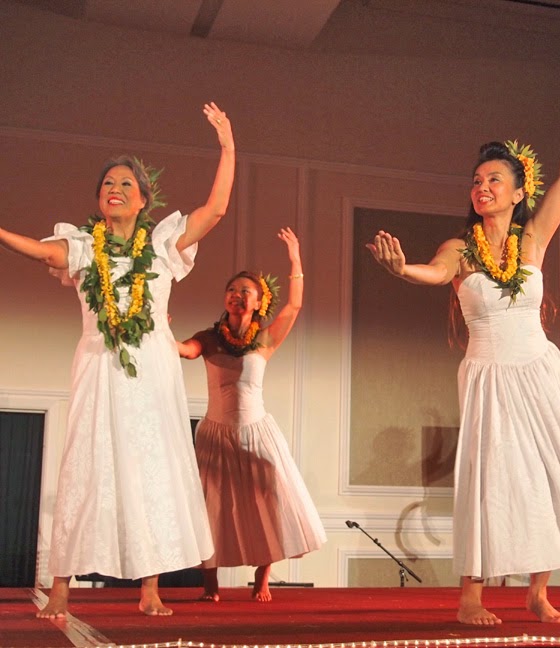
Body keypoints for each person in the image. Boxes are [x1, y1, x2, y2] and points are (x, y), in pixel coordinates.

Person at [367, 58, 560, 626]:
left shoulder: (532, 239)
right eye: (477, 180)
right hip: (488, 373)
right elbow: (435, 273)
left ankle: (538, 591)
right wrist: (401, 270)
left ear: (517, 192)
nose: (482, 188)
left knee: (547, 474)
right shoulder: (460, 249)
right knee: (492, 480)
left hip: (540, 369)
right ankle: (471, 596)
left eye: (493, 180)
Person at [0, 102, 235, 617]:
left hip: (153, 370)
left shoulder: (164, 244)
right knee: (86, 467)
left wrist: (227, 145)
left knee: (151, 467)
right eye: (108, 182)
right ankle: (61, 587)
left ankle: (150, 587)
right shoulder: (85, 246)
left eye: (127, 183)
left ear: (144, 200)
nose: (115, 187)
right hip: (99, 365)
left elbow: (215, 210)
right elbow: (40, 251)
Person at [177, 226, 326, 603]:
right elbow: (186, 350)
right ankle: (210, 585)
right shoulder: (209, 338)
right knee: (211, 507)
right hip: (215, 433)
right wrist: (159, 332)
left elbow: (294, 306)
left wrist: (295, 257)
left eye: (245, 291)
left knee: (268, 501)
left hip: (257, 431)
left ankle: (262, 579)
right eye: (232, 290)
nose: (237, 295)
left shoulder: (265, 339)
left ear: (259, 302)